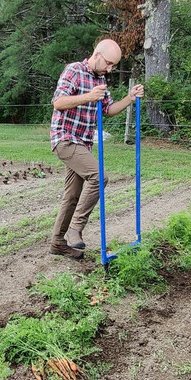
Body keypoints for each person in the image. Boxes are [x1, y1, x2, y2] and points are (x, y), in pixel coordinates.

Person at [49, 39, 145, 260]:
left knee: (72, 195)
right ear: (96, 54)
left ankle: (57, 243)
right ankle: (75, 228)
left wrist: (130, 98)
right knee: (99, 176)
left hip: (82, 142)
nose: (110, 69)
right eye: (109, 63)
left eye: (113, 66)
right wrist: (89, 96)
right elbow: (58, 102)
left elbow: (108, 110)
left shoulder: (100, 79)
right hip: (65, 138)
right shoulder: (74, 70)